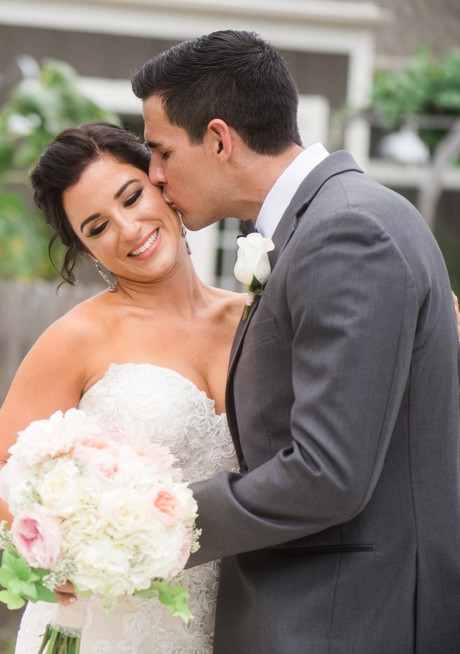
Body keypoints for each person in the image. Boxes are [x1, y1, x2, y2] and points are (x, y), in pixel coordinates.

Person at [130, 30, 460, 653]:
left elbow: (326, 473)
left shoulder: (348, 233)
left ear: (220, 139)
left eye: (163, 151)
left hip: (345, 620)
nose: (155, 174)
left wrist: (151, 523)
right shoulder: (337, 219)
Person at [0, 121, 241, 652]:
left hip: (234, 616)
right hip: (109, 625)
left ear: (162, 184)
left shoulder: (254, 319)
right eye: (96, 227)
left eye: (132, 196)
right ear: (87, 250)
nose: (128, 228)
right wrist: (67, 552)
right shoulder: (79, 337)